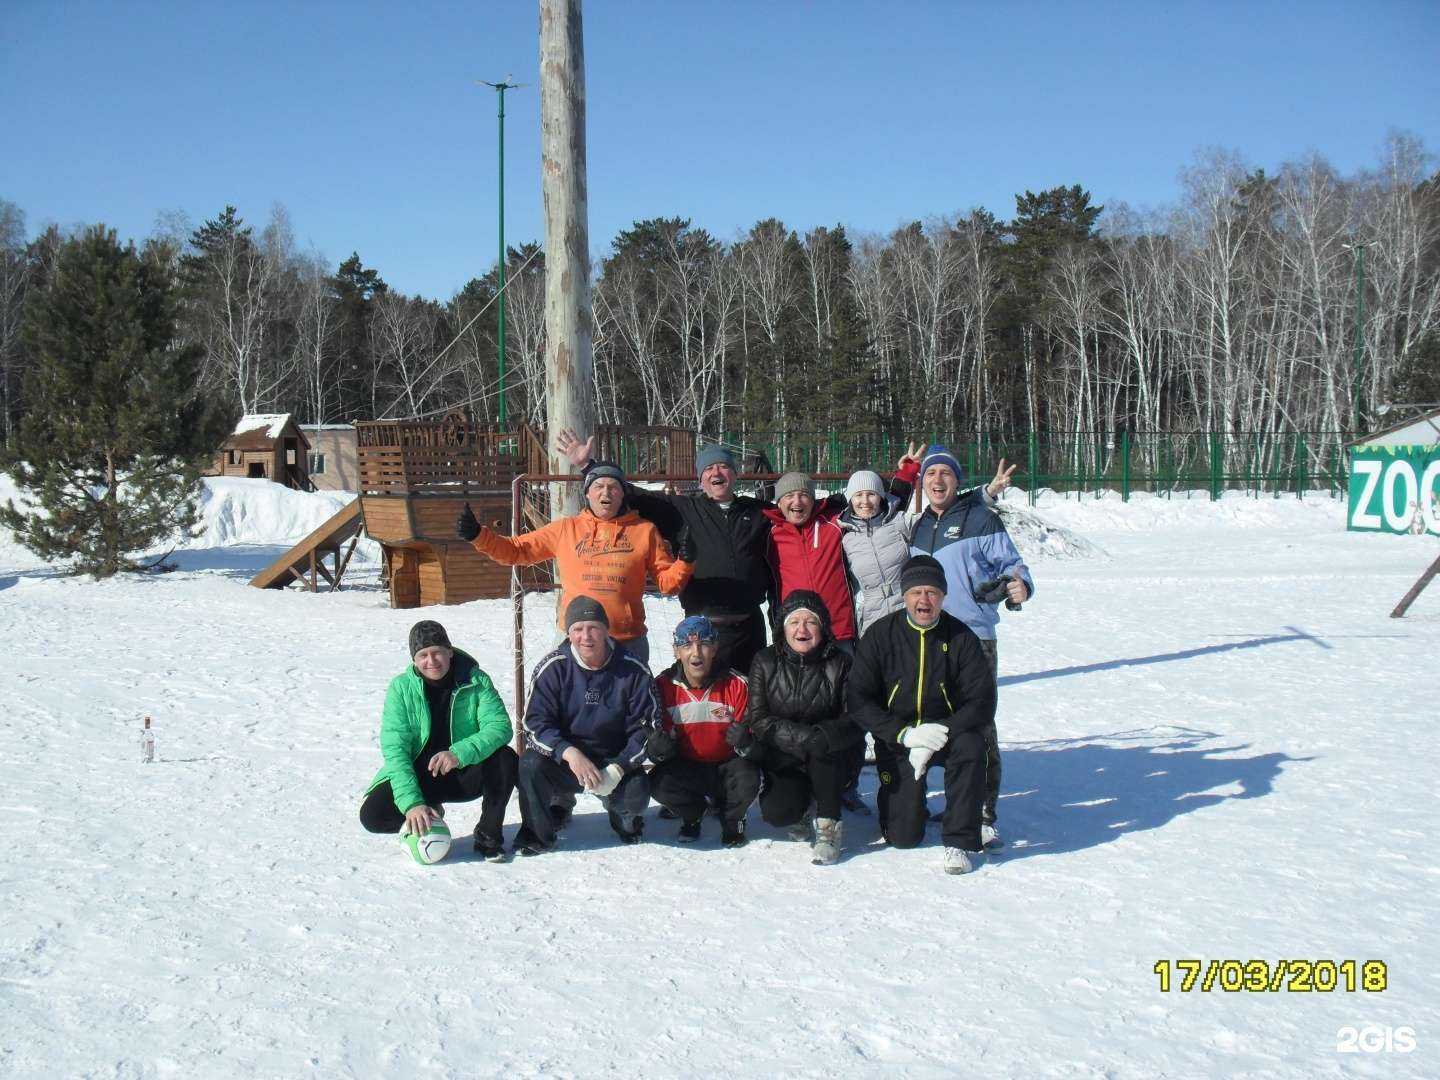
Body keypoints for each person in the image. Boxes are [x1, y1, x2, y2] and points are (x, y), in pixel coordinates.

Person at [555, 431, 773, 676]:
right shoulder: (683, 510)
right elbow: (631, 494)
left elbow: (793, 510)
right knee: (705, 693)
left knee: (751, 693)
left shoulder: (759, 512)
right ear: (700, 479)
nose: (716, 473)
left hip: (750, 626)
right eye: (709, 468)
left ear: (735, 474)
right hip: (702, 627)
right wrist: (588, 466)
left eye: (723, 466)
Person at [909, 444, 1032, 849]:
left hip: (974, 638)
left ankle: (982, 813)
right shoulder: (919, 525)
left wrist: (1020, 585)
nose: (937, 480)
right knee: (934, 720)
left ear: (957, 481)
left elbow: (1012, 565)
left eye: (945, 473)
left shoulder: (981, 519)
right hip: (929, 638)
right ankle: (951, 802)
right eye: (930, 474)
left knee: (977, 725)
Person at [456, 460, 694, 666]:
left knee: (630, 706)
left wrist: (685, 561)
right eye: (599, 486)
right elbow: (516, 551)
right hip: (577, 642)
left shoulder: (644, 531)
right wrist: (479, 535)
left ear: (623, 494)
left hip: (627, 642)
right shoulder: (566, 529)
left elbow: (667, 584)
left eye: (613, 487)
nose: (606, 492)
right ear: (587, 493)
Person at [847, 556, 996, 875]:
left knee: (972, 746)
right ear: (905, 595)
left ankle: (959, 840)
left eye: (932, 592)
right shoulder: (881, 635)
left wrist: (941, 732)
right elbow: (858, 699)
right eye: (916, 592)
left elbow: (982, 701)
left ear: (943, 596)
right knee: (903, 837)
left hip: (947, 734)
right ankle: (910, 805)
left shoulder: (961, 637)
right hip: (899, 736)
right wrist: (904, 734)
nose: (924, 600)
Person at [512, 596, 661, 854]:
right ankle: (537, 833)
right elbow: (535, 724)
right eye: (578, 629)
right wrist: (568, 753)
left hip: (613, 760)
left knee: (636, 792)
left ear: (605, 630)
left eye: (593, 627)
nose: (586, 636)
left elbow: (647, 728)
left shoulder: (633, 670)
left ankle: (624, 818)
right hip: (569, 761)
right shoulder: (553, 668)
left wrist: (619, 768)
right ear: (568, 633)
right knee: (530, 765)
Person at [360, 620, 519, 861]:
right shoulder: (401, 688)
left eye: (437, 652)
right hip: (421, 774)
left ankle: (488, 836)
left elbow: (500, 727)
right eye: (423, 655)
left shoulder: (476, 680)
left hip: (462, 770)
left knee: (505, 758)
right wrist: (412, 804)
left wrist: (458, 753)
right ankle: (427, 817)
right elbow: (395, 749)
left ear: (450, 652)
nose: (431, 661)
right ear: (414, 660)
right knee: (372, 816)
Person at [743, 590, 862, 866]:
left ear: (823, 627)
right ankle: (803, 807)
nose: (802, 629)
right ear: (783, 627)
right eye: (794, 622)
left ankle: (829, 826)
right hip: (785, 754)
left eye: (810, 622)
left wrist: (823, 737)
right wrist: (803, 738)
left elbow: (856, 718)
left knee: (823, 746)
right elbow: (758, 718)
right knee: (778, 812)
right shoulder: (765, 661)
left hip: (830, 756)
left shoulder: (841, 663)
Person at [646, 614, 759, 847]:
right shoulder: (662, 686)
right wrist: (658, 750)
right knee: (658, 782)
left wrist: (746, 742)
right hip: (688, 765)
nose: (696, 653)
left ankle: (732, 819)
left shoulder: (737, 684)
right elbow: (655, 742)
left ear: (715, 648)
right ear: (676, 651)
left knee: (748, 777)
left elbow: (756, 742)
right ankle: (693, 814)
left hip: (726, 765)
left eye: (704, 644)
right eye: (687, 645)